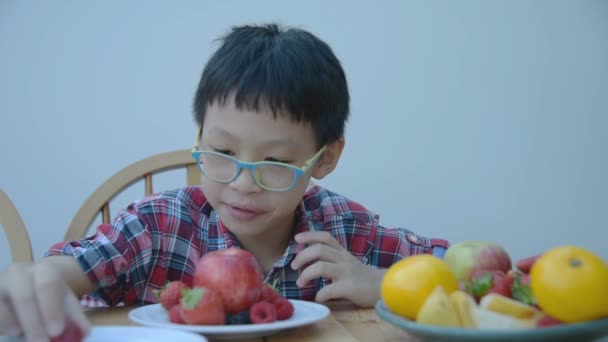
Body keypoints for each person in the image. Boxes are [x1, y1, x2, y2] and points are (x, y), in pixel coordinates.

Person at [0, 23, 449, 341]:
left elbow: (465, 275)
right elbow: (72, 270)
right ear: (200, 137)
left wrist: (380, 282)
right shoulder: (160, 226)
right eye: (224, 152)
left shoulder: (346, 233)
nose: (243, 183)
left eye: (274, 160)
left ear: (325, 158)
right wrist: (38, 283)